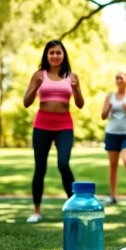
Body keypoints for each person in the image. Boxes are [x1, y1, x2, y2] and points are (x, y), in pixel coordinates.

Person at [23, 40, 85, 223]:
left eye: (58, 52)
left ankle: (74, 207)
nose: (55, 56)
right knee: (40, 168)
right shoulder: (38, 75)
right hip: (42, 125)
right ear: (46, 55)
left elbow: (80, 104)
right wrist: (35, 86)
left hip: (64, 126)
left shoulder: (71, 76)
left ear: (63, 55)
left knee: (63, 164)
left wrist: (76, 88)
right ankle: (36, 211)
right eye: (51, 53)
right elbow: (26, 102)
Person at [101, 71, 126, 205]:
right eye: (117, 78)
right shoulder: (110, 96)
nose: (119, 80)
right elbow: (103, 116)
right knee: (113, 165)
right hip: (112, 133)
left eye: (121, 78)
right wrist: (108, 108)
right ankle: (113, 196)